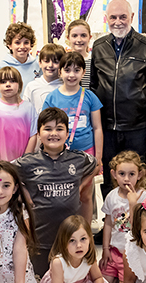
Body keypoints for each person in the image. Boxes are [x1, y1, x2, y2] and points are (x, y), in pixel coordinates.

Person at [90, 0, 146, 197]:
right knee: (110, 180)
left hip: (137, 129)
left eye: (123, 17)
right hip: (107, 129)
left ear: (131, 17)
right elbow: (93, 88)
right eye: (113, 17)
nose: (118, 22)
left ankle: (137, 216)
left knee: (135, 181)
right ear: (106, 18)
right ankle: (111, 217)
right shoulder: (99, 46)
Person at [13, 108, 98, 275]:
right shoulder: (27, 163)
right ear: (39, 134)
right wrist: (24, 193)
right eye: (48, 129)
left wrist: (80, 187)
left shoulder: (79, 159)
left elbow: (96, 165)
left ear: (67, 134)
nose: (53, 133)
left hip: (72, 239)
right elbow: (4, 171)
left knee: (71, 281)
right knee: (42, 281)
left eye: (59, 129)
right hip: (40, 240)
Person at [42, 51, 104, 223]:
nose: (71, 75)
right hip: (60, 155)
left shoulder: (90, 97)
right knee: (63, 195)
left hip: (86, 153)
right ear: (60, 72)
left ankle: (86, 229)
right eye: (67, 70)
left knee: (85, 195)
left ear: (83, 73)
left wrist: (98, 157)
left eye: (77, 70)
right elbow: (45, 128)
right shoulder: (52, 98)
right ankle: (65, 229)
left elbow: (97, 128)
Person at [99, 151, 146, 283]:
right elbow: (108, 224)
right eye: (122, 174)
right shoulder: (111, 196)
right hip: (115, 251)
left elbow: (142, 227)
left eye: (131, 174)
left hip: (133, 254)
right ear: (114, 174)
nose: (126, 179)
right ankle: (115, 273)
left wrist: (133, 204)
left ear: (139, 175)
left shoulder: (144, 197)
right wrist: (105, 249)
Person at [0, 67, 38, 162]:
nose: (8, 85)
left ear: (20, 84)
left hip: (22, 162)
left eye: (12, 81)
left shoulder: (28, 107)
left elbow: (33, 135)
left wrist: (25, 159)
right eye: (3, 82)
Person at [0, 22, 41, 90]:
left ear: (31, 45)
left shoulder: (38, 65)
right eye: (17, 43)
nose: (22, 46)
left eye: (26, 42)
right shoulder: (1, 67)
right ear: (9, 45)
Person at [22, 43, 66, 113]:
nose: (50, 65)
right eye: (46, 61)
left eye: (55, 62)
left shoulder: (66, 87)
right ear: (40, 63)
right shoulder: (31, 87)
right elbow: (25, 112)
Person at [66, 19, 93, 87]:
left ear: (89, 38)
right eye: (74, 36)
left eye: (83, 35)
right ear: (68, 38)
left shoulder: (94, 61)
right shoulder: (63, 61)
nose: (79, 40)